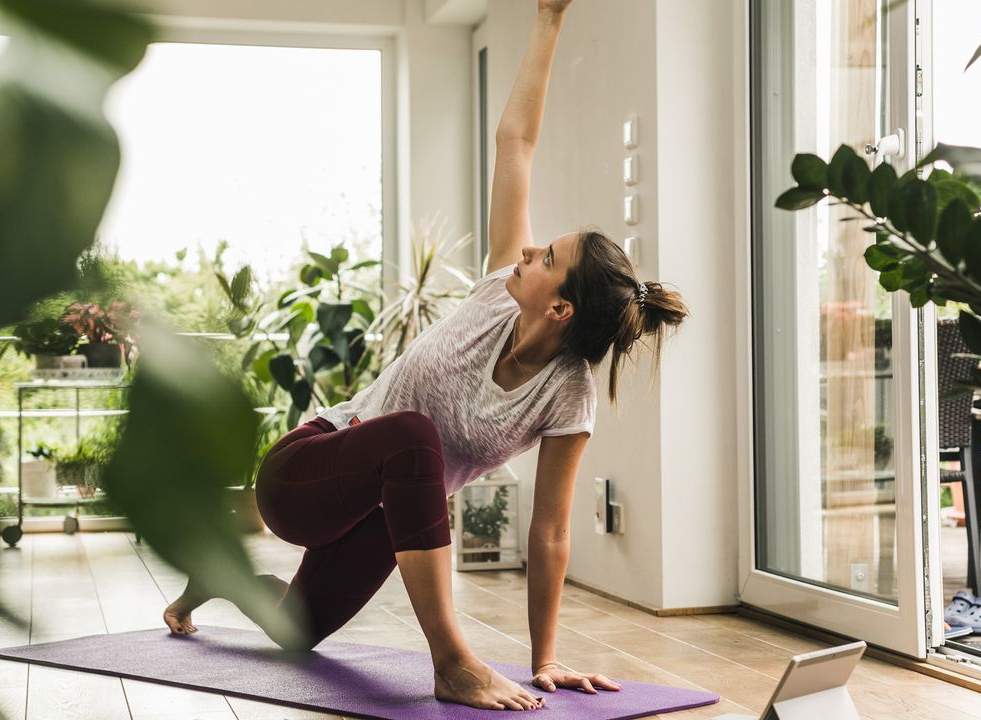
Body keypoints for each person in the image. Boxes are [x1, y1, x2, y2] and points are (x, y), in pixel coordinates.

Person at [162, 0, 689, 710]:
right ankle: (453, 662)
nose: (529, 250)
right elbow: (516, 145)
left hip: (385, 513)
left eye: (548, 257)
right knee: (416, 438)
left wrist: (547, 659)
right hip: (307, 472)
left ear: (560, 309)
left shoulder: (568, 398)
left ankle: (212, 577)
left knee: (296, 632)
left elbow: (553, 531)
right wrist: (548, 18)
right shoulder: (499, 291)